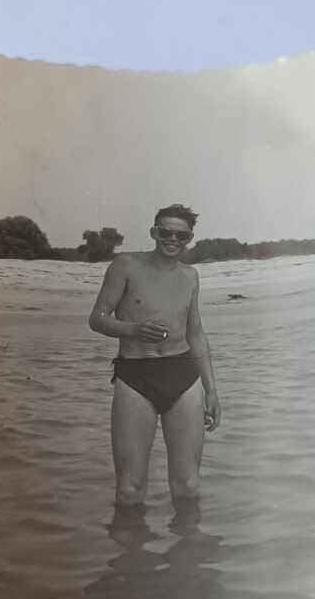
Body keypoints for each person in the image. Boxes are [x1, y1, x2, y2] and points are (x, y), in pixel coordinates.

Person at [88, 204, 221, 505]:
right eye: (166, 232)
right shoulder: (125, 266)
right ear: (154, 232)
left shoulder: (190, 276)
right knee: (129, 489)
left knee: (188, 484)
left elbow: (196, 334)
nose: (173, 239)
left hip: (183, 376)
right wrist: (132, 329)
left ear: (189, 239)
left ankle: (186, 536)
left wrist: (212, 390)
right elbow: (97, 319)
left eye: (181, 235)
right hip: (136, 375)